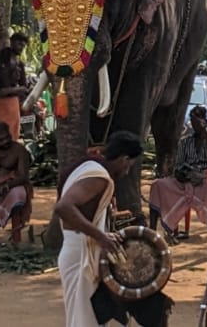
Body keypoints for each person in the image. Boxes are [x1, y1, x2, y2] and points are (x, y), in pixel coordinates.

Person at [56, 130, 144, 327]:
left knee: (90, 318)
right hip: (80, 253)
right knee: (85, 320)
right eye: (130, 164)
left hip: (80, 248)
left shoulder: (90, 166)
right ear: (123, 159)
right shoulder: (99, 176)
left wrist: (103, 234)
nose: (128, 170)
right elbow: (64, 207)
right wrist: (100, 237)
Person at [149, 105, 207, 239]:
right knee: (157, 185)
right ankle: (151, 228)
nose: (194, 125)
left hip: (206, 175)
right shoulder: (185, 142)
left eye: (197, 121)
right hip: (186, 177)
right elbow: (179, 164)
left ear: (205, 121)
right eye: (192, 121)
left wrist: (204, 131)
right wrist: (180, 173)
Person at [0, 33, 31, 142]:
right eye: (19, 44)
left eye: (23, 45)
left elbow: (24, 86)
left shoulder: (20, 64)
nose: (21, 47)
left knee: (12, 135)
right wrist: (17, 90)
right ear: (12, 42)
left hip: (12, 103)